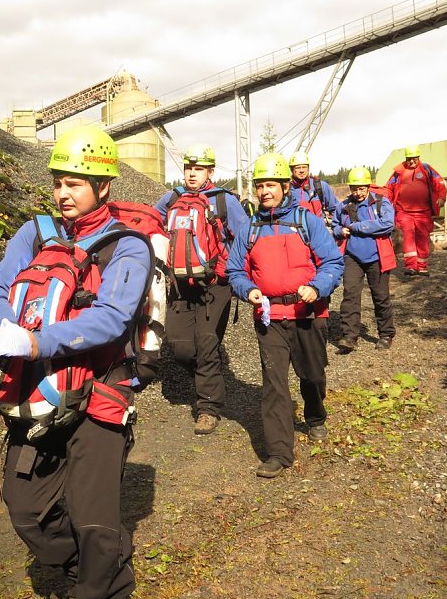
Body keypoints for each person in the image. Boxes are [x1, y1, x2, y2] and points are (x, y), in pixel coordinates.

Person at [0, 126, 150, 599]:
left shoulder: (129, 245)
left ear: (104, 187)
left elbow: (114, 317)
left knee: (95, 519)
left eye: (75, 183)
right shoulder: (33, 233)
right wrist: (6, 329)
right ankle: (80, 568)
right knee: (25, 509)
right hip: (37, 390)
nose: (62, 192)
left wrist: (38, 341)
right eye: (58, 181)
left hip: (101, 393)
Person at [227, 153, 344, 479]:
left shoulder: (308, 221)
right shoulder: (249, 228)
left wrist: (317, 287)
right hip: (269, 317)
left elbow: (333, 262)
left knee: (313, 374)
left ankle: (316, 415)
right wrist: (246, 289)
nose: (265, 191)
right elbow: (235, 269)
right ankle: (279, 452)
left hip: (309, 313)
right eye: (260, 186)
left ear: (283, 186)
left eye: (271, 185)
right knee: (275, 385)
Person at [154, 144, 249, 435]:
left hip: (214, 285)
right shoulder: (171, 199)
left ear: (210, 171)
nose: (192, 174)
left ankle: (208, 407)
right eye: (188, 168)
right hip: (180, 284)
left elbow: (244, 238)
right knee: (180, 346)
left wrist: (232, 274)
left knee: (206, 342)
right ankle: (209, 378)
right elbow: (152, 224)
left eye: (199, 169)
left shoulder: (223, 200)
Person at [332, 166, 397, 352]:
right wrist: (339, 230)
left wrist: (358, 227)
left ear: (368, 186)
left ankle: (386, 334)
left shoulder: (381, 203)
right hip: (353, 257)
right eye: (354, 188)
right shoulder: (343, 206)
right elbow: (335, 225)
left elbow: (387, 224)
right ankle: (349, 337)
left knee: (381, 296)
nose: (358, 192)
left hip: (377, 257)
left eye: (362, 188)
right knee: (350, 295)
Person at [384, 144, 447, 276]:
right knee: (408, 236)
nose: (411, 161)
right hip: (404, 212)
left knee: (423, 238)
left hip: (423, 212)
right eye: (409, 159)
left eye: (414, 159)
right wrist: (384, 202)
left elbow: (439, 182)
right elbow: (388, 188)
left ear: (418, 158)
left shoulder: (426, 169)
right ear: (406, 158)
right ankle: (411, 266)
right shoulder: (398, 172)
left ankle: (422, 266)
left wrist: (442, 197)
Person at [288, 150, 340, 223]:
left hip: (318, 231)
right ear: (292, 169)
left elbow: (336, 209)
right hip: (296, 232)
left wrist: (336, 228)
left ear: (308, 168)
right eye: (298, 167)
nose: (302, 170)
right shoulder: (287, 190)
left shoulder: (320, 186)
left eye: (304, 167)